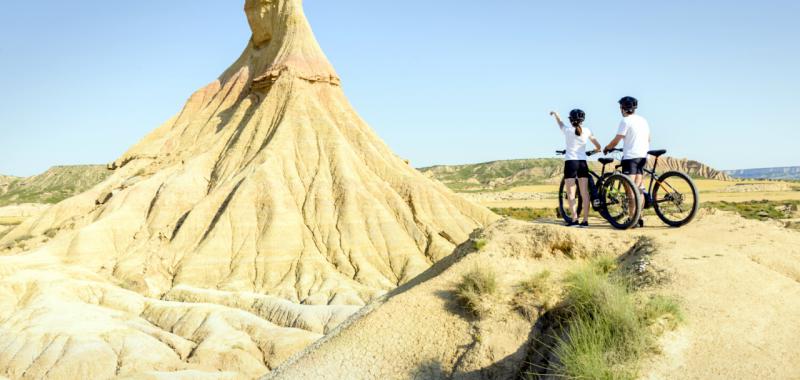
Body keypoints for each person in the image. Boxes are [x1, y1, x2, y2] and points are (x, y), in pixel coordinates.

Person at [603, 96, 651, 227]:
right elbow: (649, 138)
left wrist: (608, 147)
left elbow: (617, 139)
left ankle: (631, 219)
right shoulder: (643, 120)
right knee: (639, 188)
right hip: (643, 156)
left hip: (631, 157)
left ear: (623, 108)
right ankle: (639, 217)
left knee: (630, 190)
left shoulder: (625, 121)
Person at [550, 109, 602, 228]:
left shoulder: (568, 130)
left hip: (571, 163)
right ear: (583, 120)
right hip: (582, 163)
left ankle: (574, 219)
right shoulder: (588, 131)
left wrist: (556, 115)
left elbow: (560, 124)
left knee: (571, 193)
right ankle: (585, 220)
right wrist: (594, 151)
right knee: (585, 193)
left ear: (571, 119)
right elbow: (598, 147)